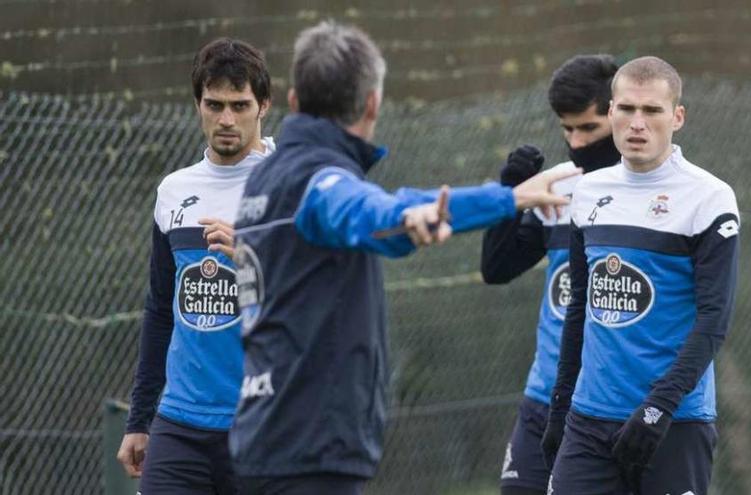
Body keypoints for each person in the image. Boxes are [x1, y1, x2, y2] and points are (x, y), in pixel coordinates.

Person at [228, 20, 579, 495]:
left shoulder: (263, 180)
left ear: (292, 101)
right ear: (372, 104)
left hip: (259, 436)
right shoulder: (320, 182)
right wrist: (506, 199)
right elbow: (376, 213)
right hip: (310, 445)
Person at [543, 56, 740, 495]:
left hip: (674, 422)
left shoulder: (709, 198)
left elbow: (714, 321)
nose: (638, 123)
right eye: (627, 109)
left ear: (677, 117)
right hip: (589, 420)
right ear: (610, 112)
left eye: (652, 110)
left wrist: (658, 409)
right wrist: (560, 408)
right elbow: (580, 308)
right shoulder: (589, 192)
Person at [116, 38, 274, 494]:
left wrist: (251, 251)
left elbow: (317, 296)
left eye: (240, 105)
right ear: (198, 104)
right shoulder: (173, 191)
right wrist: (139, 419)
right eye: (215, 104)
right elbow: (161, 309)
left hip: (260, 421)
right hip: (180, 424)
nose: (226, 119)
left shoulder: (288, 184)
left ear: (263, 105)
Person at [480, 54, 621, 495]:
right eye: (567, 130)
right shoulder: (559, 189)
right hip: (544, 397)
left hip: (614, 406)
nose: (576, 142)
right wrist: (511, 194)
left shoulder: (665, 199)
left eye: (588, 129)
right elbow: (497, 268)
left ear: (619, 116)